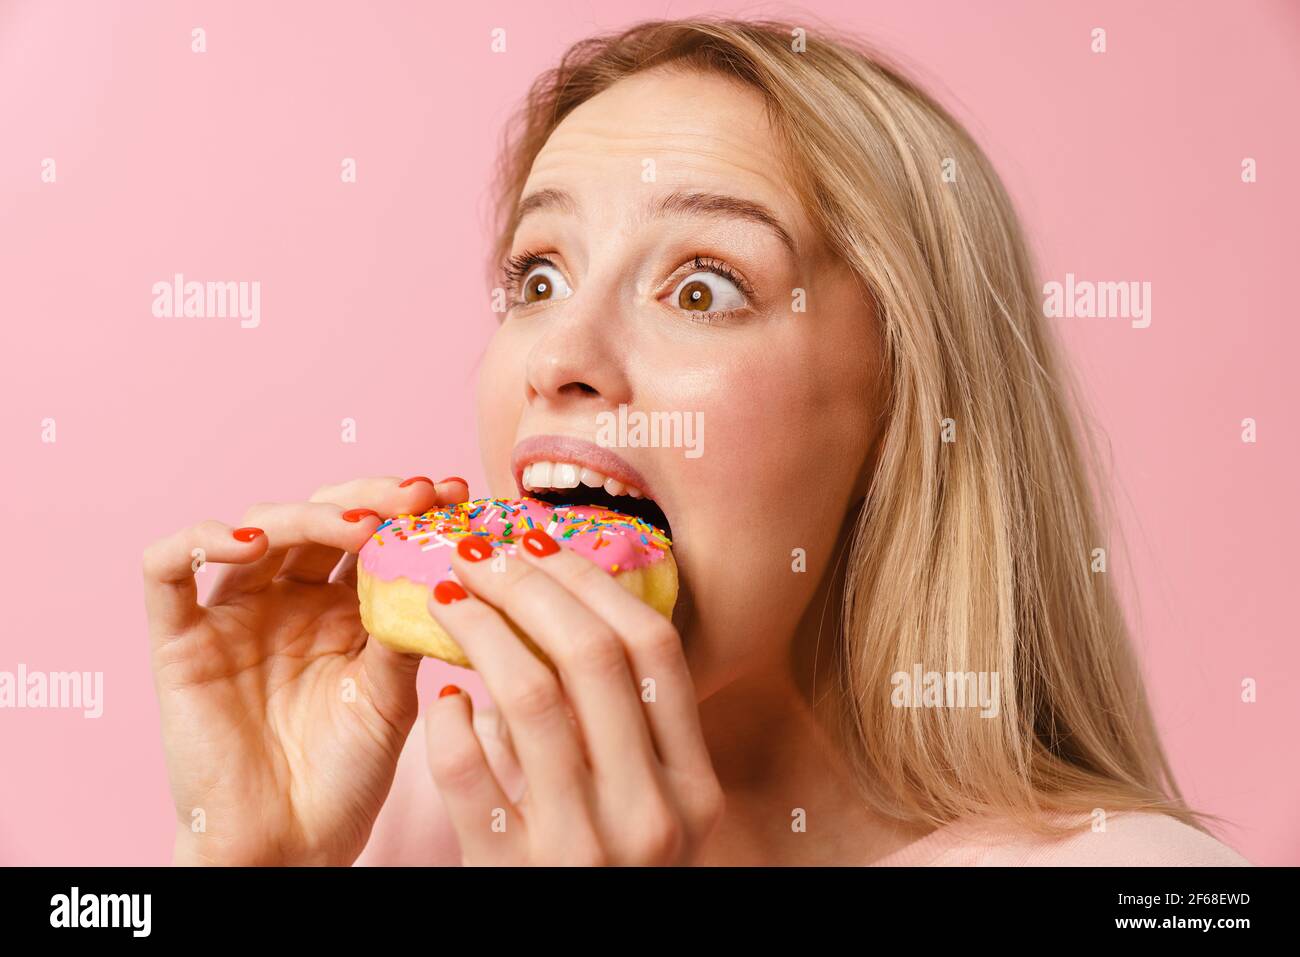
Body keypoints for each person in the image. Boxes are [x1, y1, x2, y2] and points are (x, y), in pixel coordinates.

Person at [143, 18, 1249, 866]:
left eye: (703, 286)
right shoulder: (459, 794)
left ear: (914, 406)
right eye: (538, 275)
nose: (557, 354)